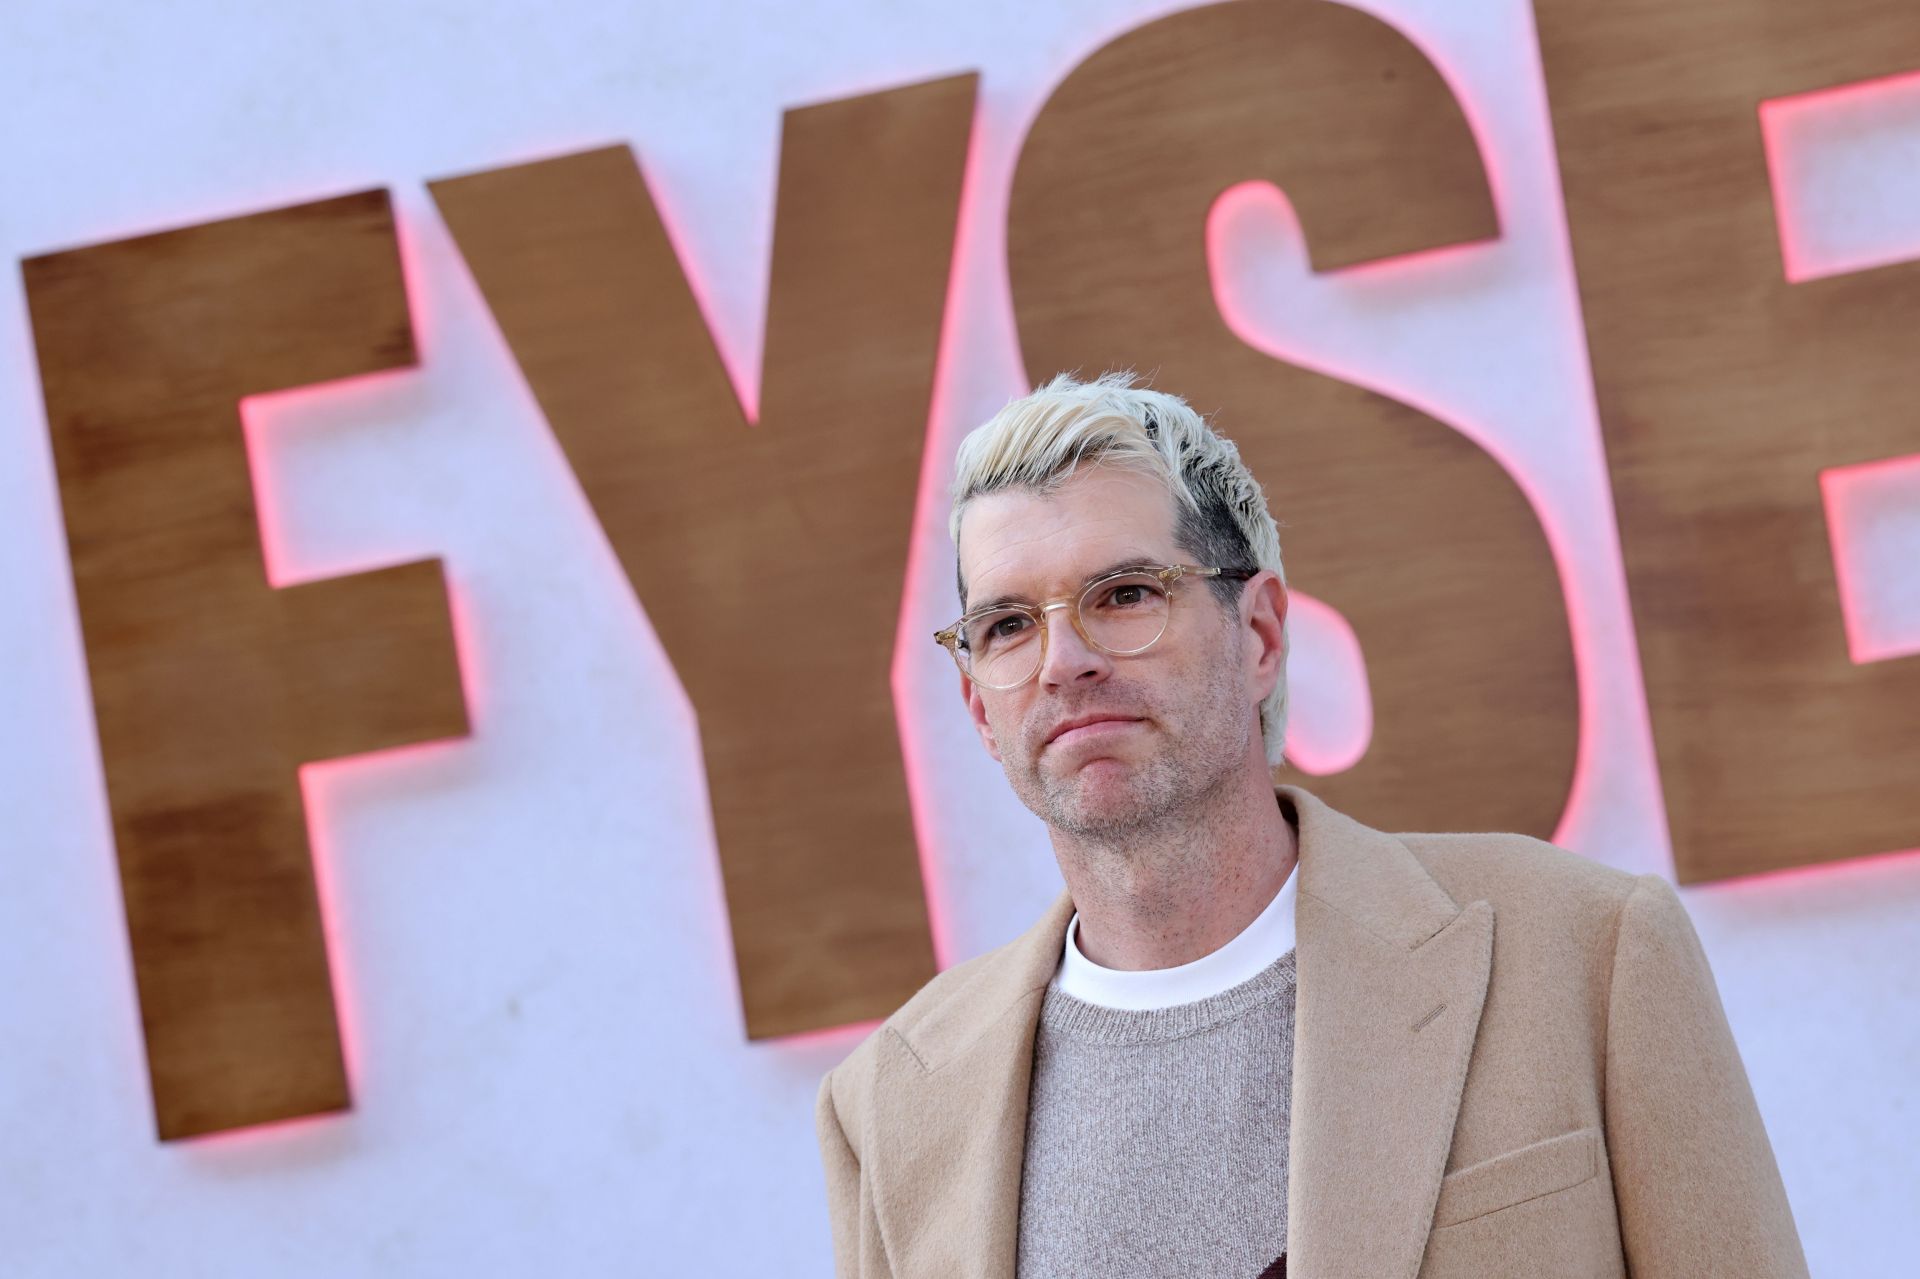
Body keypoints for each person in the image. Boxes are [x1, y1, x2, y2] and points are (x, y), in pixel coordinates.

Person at [813, 371, 1807, 1278]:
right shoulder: (891, 1105)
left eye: (1124, 595)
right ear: (978, 707)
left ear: (1258, 636)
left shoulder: (1584, 951)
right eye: (1007, 626)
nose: (1063, 660)